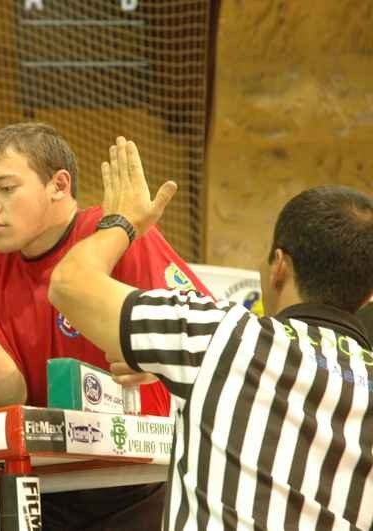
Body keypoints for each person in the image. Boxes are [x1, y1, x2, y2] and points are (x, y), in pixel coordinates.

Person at [49, 137, 373, 530]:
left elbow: (69, 284)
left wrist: (124, 222)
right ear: (367, 293)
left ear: (279, 267)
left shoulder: (224, 335)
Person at [0, 122, 211, 530]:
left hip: (137, 483)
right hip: (44, 485)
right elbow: (8, 394)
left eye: (5, 188)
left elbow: (212, 337)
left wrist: (160, 357)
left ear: (59, 185)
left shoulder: (118, 232)